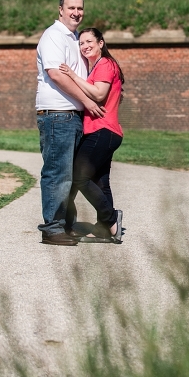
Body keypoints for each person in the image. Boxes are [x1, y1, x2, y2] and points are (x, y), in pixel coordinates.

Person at [35, 0, 105, 246]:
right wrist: (87, 101)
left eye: (80, 8)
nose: (77, 12)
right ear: (61, 10)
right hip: (57, 115)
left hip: (72, 117)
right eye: (71, 7)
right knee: (57, 173)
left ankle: (65, 223)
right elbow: (55, 74)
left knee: (70, 174)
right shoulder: (53, 35)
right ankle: (52, 229)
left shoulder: (74, 38)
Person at [59, 28, 125, 243]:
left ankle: (111, 218)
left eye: (89, 41)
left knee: (80, 176)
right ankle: (105, 229)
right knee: (101, 181)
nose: (84, 45)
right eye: (81, 43)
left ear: (101, 43)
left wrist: (72, 75)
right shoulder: (99, 66)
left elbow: (99, 94)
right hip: (106, 131)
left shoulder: (105, 64)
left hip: (102, 131)